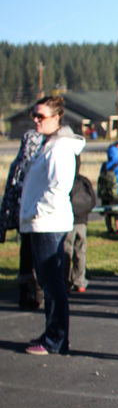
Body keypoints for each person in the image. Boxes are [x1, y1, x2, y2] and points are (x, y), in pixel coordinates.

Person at [19, 96, 84, 355]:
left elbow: (58, 186)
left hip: (48, 222)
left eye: (41, 116)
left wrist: (37, 211)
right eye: (33, 115)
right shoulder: (49, 145)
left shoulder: (59, 148)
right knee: (48, 283)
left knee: (53, 284)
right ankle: (53, 334)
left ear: (57, 117)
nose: (36, 120)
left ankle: (56, 339)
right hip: (42, 222)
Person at [0, 129, 44, 310]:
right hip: (36, 217)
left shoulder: (18, 164)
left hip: (23, 218)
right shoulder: (37, 163)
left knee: (26, 257)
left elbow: (9, 195)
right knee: (38, 257)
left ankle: (27, 294)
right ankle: (36, 293)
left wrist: (5, 221)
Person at [64, 159, 97, 293]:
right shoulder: (84, 181)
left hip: (68, 222)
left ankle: (65, 281)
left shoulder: (65, 181)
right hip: (82, 222)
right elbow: (93, 201)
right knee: (80, 252)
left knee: (67, 252)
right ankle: (79, 280)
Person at [98, 144, 118, 235]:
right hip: (116, 193)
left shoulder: (104, 165)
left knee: (107, 212)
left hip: (105, 194)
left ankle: (109, 229)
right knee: (117, 212)